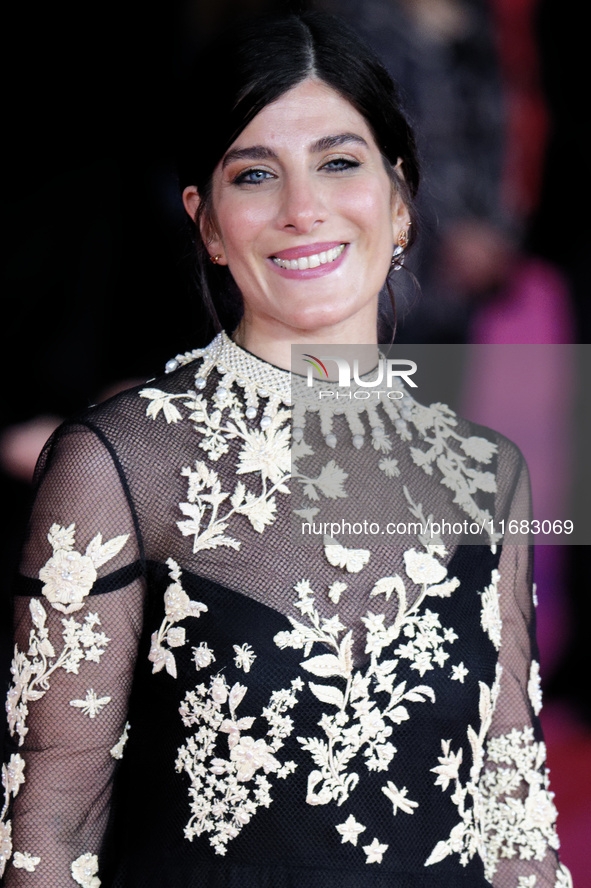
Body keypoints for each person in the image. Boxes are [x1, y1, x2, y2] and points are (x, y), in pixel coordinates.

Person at [0, 11, 571, 887]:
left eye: (339, 162)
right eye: (256, 174)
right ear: (209, 224)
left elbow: (513, 808)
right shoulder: (122, 465)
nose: (303, 209)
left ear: (400, 200)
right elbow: (54, 816)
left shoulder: (485, 475)